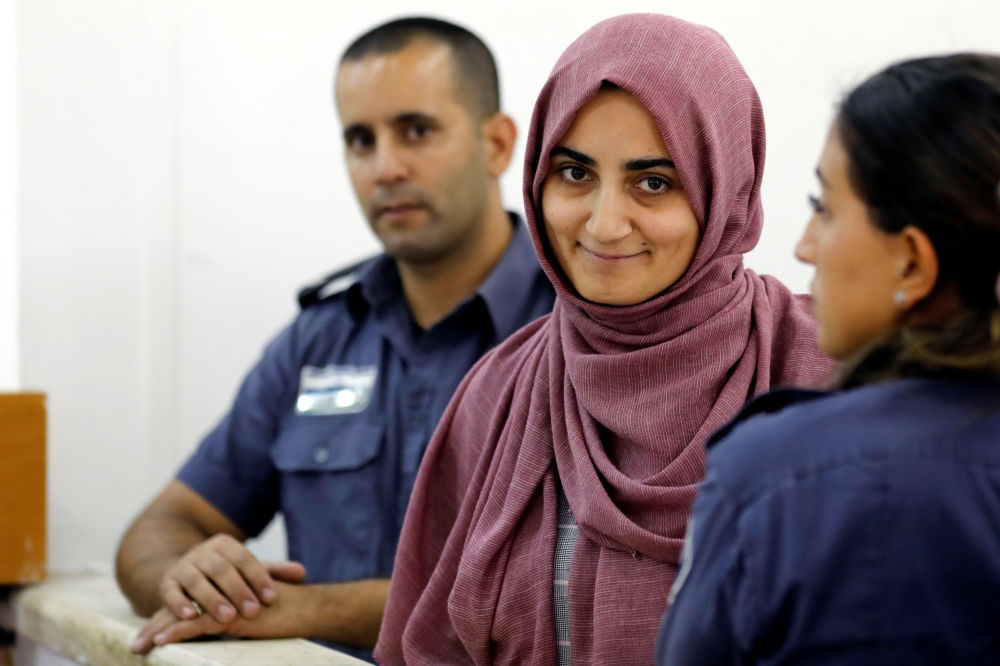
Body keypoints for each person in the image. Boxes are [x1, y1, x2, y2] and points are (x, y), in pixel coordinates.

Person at [375, 14, 833, 666]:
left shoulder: (827, 377)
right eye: (576, 174)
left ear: (726, 190)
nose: (605, 223)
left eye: (654, 182)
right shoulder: (499, 392)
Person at [116, 17, 555, 661]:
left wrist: (305, 609)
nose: (385, 168)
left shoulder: (581, 335)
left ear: (496, 144)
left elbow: (556, 592)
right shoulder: (316, 342)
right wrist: (185, 579)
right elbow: (158, 529)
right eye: (360, 139)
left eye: (416, 131)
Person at [656, 54, 1000, 665]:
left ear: (913, 263)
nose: (803, 245)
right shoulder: (510, 383)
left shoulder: (771, 472)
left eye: (826, 207)